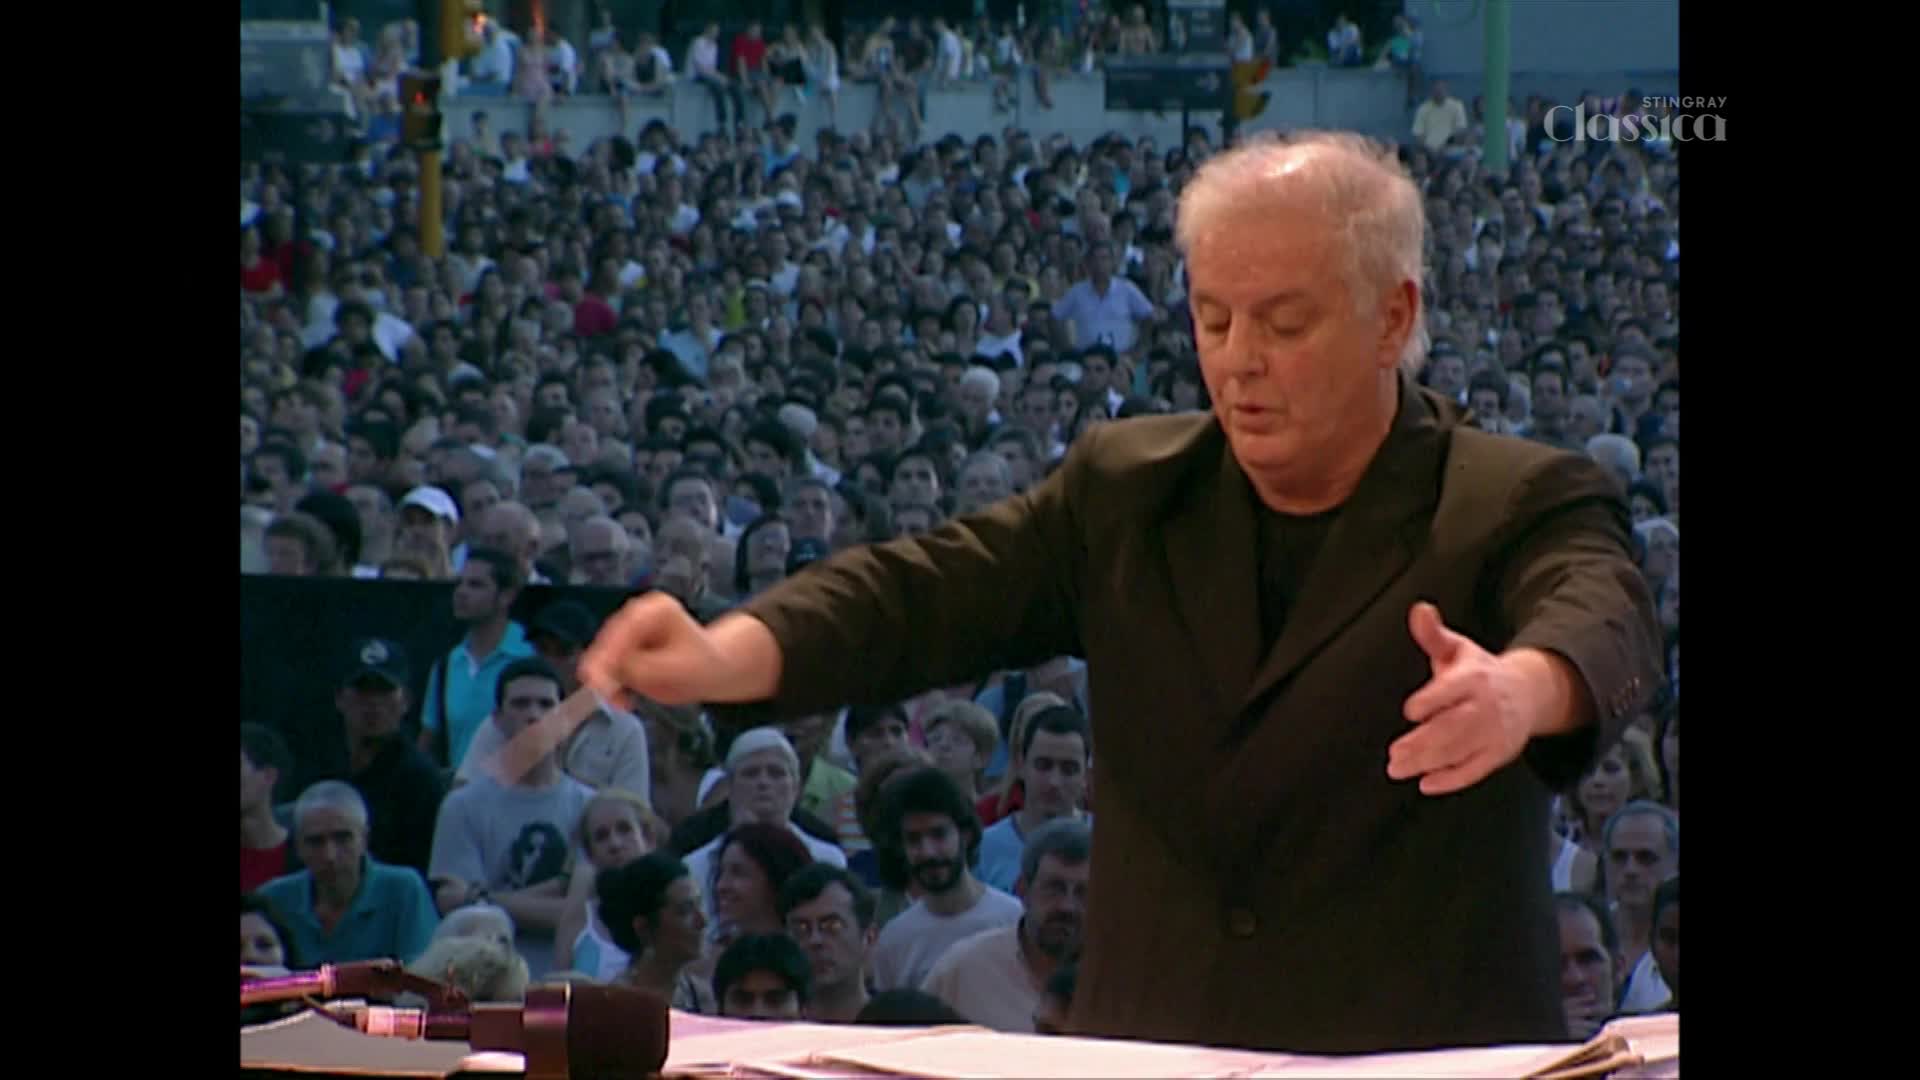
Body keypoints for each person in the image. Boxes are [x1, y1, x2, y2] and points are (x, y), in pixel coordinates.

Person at [579, 130, 1665, 1054]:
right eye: (1214, 318)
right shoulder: (1128, 489)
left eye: (1285, 325)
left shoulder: (1511, 495)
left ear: (1392, 320)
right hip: (1161, 1044)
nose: (1239, 360)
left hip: (1417, 1055)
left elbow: (1600, 604)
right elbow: (928, 592)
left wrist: (1526, 687)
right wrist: (737, 650)